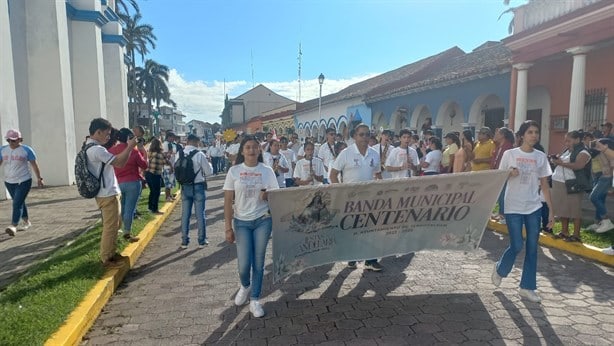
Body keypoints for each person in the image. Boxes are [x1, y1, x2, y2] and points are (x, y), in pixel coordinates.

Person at [492, 120, 554, 303]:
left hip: (533, 206)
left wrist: (551, 210)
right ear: (521, 135)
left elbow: (544, 185)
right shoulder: (510, 154)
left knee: (533, 248)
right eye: (530, 132)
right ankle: (501, 269)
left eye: (536, 132)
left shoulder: (540, 156)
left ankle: (527, 287)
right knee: (517, 245)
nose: (534, 135)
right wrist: (508, 173)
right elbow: (498, 176)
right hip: (513, 206)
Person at [223, 135, 279, 318]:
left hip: (263, 219)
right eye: (247, 147)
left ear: (259, 150)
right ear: (242, 151)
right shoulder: (234, 171)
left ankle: (255, 299)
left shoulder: (267, 171)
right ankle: (245, 285)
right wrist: (228, 227)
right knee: (243, 264)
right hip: (241, 222)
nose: (252, 150)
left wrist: (267, 195)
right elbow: (228, 201)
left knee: (259, 261)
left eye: (255, 147)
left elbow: (276, 194)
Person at [330, 123, 383, 271]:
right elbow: (333, 174)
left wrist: (382, 190)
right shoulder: (346, 153)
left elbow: (378, 174)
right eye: (361, 134)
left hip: (370, 199)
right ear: (354, 136)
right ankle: (352, 257)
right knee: (352, 230)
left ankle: (370, 260)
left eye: (367, 134)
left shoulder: (374, 154)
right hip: (350, 200)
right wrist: (340, 192)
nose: (365, 137)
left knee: (371, 229)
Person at [85, 118, 138, 268]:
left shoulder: (89, 147)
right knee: (110, 226)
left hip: (106, 192)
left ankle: (111, 253)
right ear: (98, 132)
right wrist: (129, 147)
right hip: (107, 193)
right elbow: (119, 163)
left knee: (115, 224)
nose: (109, 137)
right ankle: (106, 258)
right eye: (107, 134)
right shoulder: (97, 150)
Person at [1, 129, 44, 236]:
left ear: (20, 139)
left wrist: (39, 178)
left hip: (24, 180)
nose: (11, 142)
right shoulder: (2, 150)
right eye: (9, 140)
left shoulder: (26, 150)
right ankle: (26, 221)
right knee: (19, 201)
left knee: (16, 203)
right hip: (9, 181)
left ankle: (13, 226)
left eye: (14, 140)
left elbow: (34, 164)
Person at [551, 130, 592, 242]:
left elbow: (578, 166)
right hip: (560, 183)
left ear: (577, 140)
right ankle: (564, 232)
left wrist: (561, 163)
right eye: (566, 141)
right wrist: (556, 160)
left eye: (568, 141)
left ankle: (576, 234)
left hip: (573, 184)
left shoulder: (583, 152)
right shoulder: (568, 151)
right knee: (563, 209)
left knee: (575, 210)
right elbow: (563, 161)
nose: (566, 143)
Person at [108, 128, 147, 243]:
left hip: (117, 183)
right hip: (133, 182)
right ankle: (127, 232)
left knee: (121, 208)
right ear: (129, 138)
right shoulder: (134, 152)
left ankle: (117, 230)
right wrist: (143, 152)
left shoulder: (111, 150)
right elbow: (144, 165)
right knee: (130, 209)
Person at [179, 134, 213, 249]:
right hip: (198, 186)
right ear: (196, 142)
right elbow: (209, 172)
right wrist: (209, 163)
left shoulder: (180, 153)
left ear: (187, 141)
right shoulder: (199, 154)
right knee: (200, 215)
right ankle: (201, 240)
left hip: (184, 186)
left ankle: (184, 241)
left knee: (185, 215)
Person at [586, 138, 614, 233]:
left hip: (606, 177)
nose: (596, 148)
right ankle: (598, 222)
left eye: (599, 145)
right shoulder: (602, 152)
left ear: (606, 145)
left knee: (594, 197)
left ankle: (606, 220)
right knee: (600, 198)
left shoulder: (609, 153)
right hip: (600, 176)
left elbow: (612, 167)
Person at [491, 127, 516, 221]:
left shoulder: (508, 147)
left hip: (504, 174)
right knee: (500, 195)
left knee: (503, 195)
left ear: (502, 135)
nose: (495, 135)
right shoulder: (499, 146)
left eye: (497, 133)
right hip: (498, 173)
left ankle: (503, 214)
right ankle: (501, 213)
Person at [145, 138, 169, 215]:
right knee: (156, 192)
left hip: (148, 173)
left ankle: (150, 207)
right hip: (156, 174)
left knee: (152, 191)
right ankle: (155, 209)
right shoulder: (161, 154)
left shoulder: (150, 153)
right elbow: (166, 162)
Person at [162, 132, 179, 202]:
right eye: (172, 137)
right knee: (168, 183)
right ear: (169, 137)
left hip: (172, 165)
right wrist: (171, 166)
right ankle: (167, 196)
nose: (173, 139)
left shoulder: (172, 144)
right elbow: (165, 157)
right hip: (168, 166)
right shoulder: (165, 144)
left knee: (171, 182)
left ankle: (170, 195)